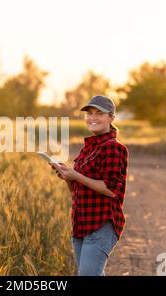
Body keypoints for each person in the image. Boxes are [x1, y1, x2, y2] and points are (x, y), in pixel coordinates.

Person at [51, 95, 129, 276]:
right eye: (89, 113)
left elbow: (111, 190)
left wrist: (76, 175)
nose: (92, 117)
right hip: (81, 223)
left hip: (101, 223)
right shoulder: (88, 148)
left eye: (99, 113)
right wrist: (68, 178)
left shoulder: (112, 148)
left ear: (111, 118)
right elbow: (76, 191)